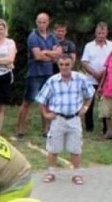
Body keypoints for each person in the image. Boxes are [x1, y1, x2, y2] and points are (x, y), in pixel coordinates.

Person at [35, 54, 94, 185]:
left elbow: (90, 94)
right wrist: (46, 114)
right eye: (61, 65)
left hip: (74, 118)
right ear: (58, 65)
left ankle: (77, 174)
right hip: (58, 118)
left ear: (72, 64)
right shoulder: (52, 80)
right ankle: (51, 172)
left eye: (67, 64)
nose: (64, 67)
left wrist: (85, 107)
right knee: (53, 148)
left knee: (76, 148)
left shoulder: (80, 79)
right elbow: (41, 99)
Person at [16, 12, 61, 140]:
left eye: (44, 22)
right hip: (35, 74)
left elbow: (59, 54)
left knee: (46, 102)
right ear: (36, 22)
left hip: (48, 74)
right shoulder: (33, 36)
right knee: (27, 102)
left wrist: (46, 52)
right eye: (39, 22)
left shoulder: (52, 36)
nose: (41, 24)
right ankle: (20, 130)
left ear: (48, 22)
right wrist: (50, 55)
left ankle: (46, 130)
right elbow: (38, 56)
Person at [81, 23, 112, 134]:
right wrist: (95, 73)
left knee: (105, 103)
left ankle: (106, 127)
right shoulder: (89, 46)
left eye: (103, 33)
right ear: (95, 33)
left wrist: (103, 73)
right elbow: (84, 62)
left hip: (107, 79)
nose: (101, 35)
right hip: (91, 78)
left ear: (107, 32)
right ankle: (89, 126)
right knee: (89, 103)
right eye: (99, 33)